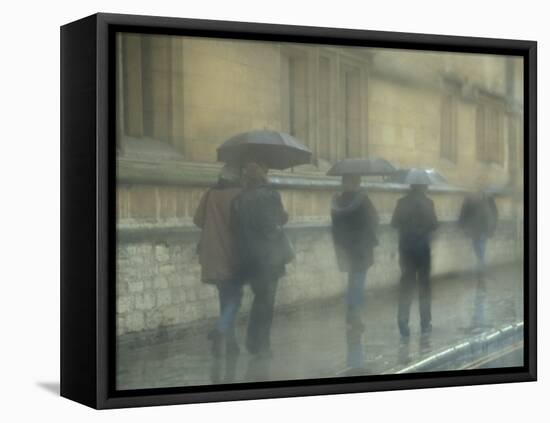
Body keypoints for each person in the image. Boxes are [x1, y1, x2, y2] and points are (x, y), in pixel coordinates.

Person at [231, 162, 290, 359]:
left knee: (259, 299)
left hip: (247, 257)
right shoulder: (270, 194)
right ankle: (260, 345)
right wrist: (282, 221)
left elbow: (234, 228)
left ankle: (253, 341)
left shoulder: (239, 199)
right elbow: (272, 224)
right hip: (268, 258)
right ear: (264, 175)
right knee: (266, 302)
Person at [193, 165, 243, 382]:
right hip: (232, 253)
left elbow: (197, 220)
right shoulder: (239, 195)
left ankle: (228, 343)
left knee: (225, 298)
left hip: (212, 252)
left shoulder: (210, 194)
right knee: (236, 297)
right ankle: (221, 330)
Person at [330, 174, 379, 369]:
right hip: (360, 248)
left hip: (346, 248)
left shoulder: (337, 201)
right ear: (357, 183)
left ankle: (351, 314)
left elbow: (335, 227)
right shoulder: (363, 200)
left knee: (353, 281)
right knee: (358, 282)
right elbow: (373, 221)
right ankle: (354, 316)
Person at [391, 183, 438, 338]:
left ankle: (403, 321)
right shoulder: (428, 203)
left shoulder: (401, 202)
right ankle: (425, 323)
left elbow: (394, 224)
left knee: (406, 285)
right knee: (424, 286)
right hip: (423, 250)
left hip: (406, 250)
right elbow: (434, 225)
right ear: (424, 187)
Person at [458, 181, 498, 280]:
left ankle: (481, 267)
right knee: (480, 247)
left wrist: (461, 224)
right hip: (481, 229)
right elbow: (495, 213)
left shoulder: (473, 198)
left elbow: (464, 212)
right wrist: (492, 228)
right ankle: (481, 266)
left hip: (478, 229)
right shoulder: (488, 198)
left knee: (479, 247)